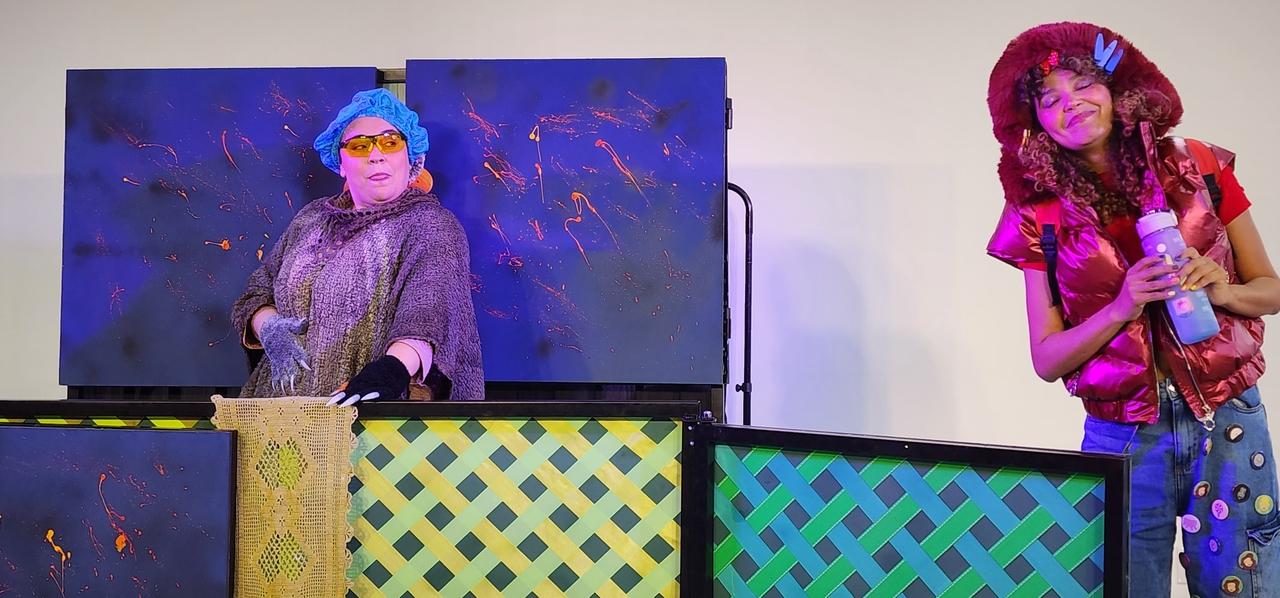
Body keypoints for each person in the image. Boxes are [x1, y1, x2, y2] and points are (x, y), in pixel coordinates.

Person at [986, 22, 1280, 596]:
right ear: (1034, 120)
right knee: (1125, 586)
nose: (1072, 104)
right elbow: (1047, 358)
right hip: (1122, 435)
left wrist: (1222, 290)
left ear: (1115, 88)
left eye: (1083, 84)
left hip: (1228, 418)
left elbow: (1270, 290)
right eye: (1050, 99)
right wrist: (1121, 307)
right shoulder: (1038, 214)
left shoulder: (1199, 166)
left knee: (1244, 586)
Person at [232, 88, 484, 403]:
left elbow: (428, 313)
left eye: (390, 142)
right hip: (278, 410)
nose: (376, 155)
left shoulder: (430, 225)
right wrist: (270, 327)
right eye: (359, 145)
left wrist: (389, 372)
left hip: (366, 412)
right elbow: (257, 292)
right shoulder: (310, 220)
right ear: (341, 163)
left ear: (410, 158)